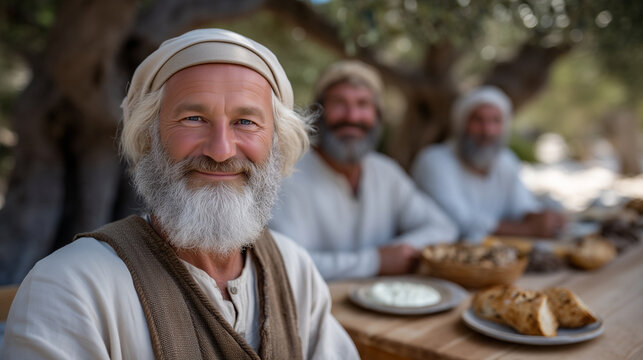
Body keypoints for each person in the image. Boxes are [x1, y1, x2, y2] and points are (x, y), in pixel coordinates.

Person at [1, 29, 359, 359]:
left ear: (276, 143)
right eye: (193, 118)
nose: (221, 150)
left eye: (246, 122)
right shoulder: (71, 289)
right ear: (149, 136)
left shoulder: (294, 269)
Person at [269, 60, 457, 281]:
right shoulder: (288, 175)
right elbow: (287, 264)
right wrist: (376, 261)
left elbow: (443, 227)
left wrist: (398, 252)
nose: (353, 116)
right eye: (339, 103)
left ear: (378, 116)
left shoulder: (386, 172)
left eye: (363, 104)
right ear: (318, 113)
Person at [411, 86, 566, 243]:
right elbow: (459, 222)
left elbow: (522, 206)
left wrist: (544, 219)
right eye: (478, 120)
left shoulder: (506, 160)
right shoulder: (434, 161)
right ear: (462, 124)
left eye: (495, 121)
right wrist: (528, 229)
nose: (487, 131)